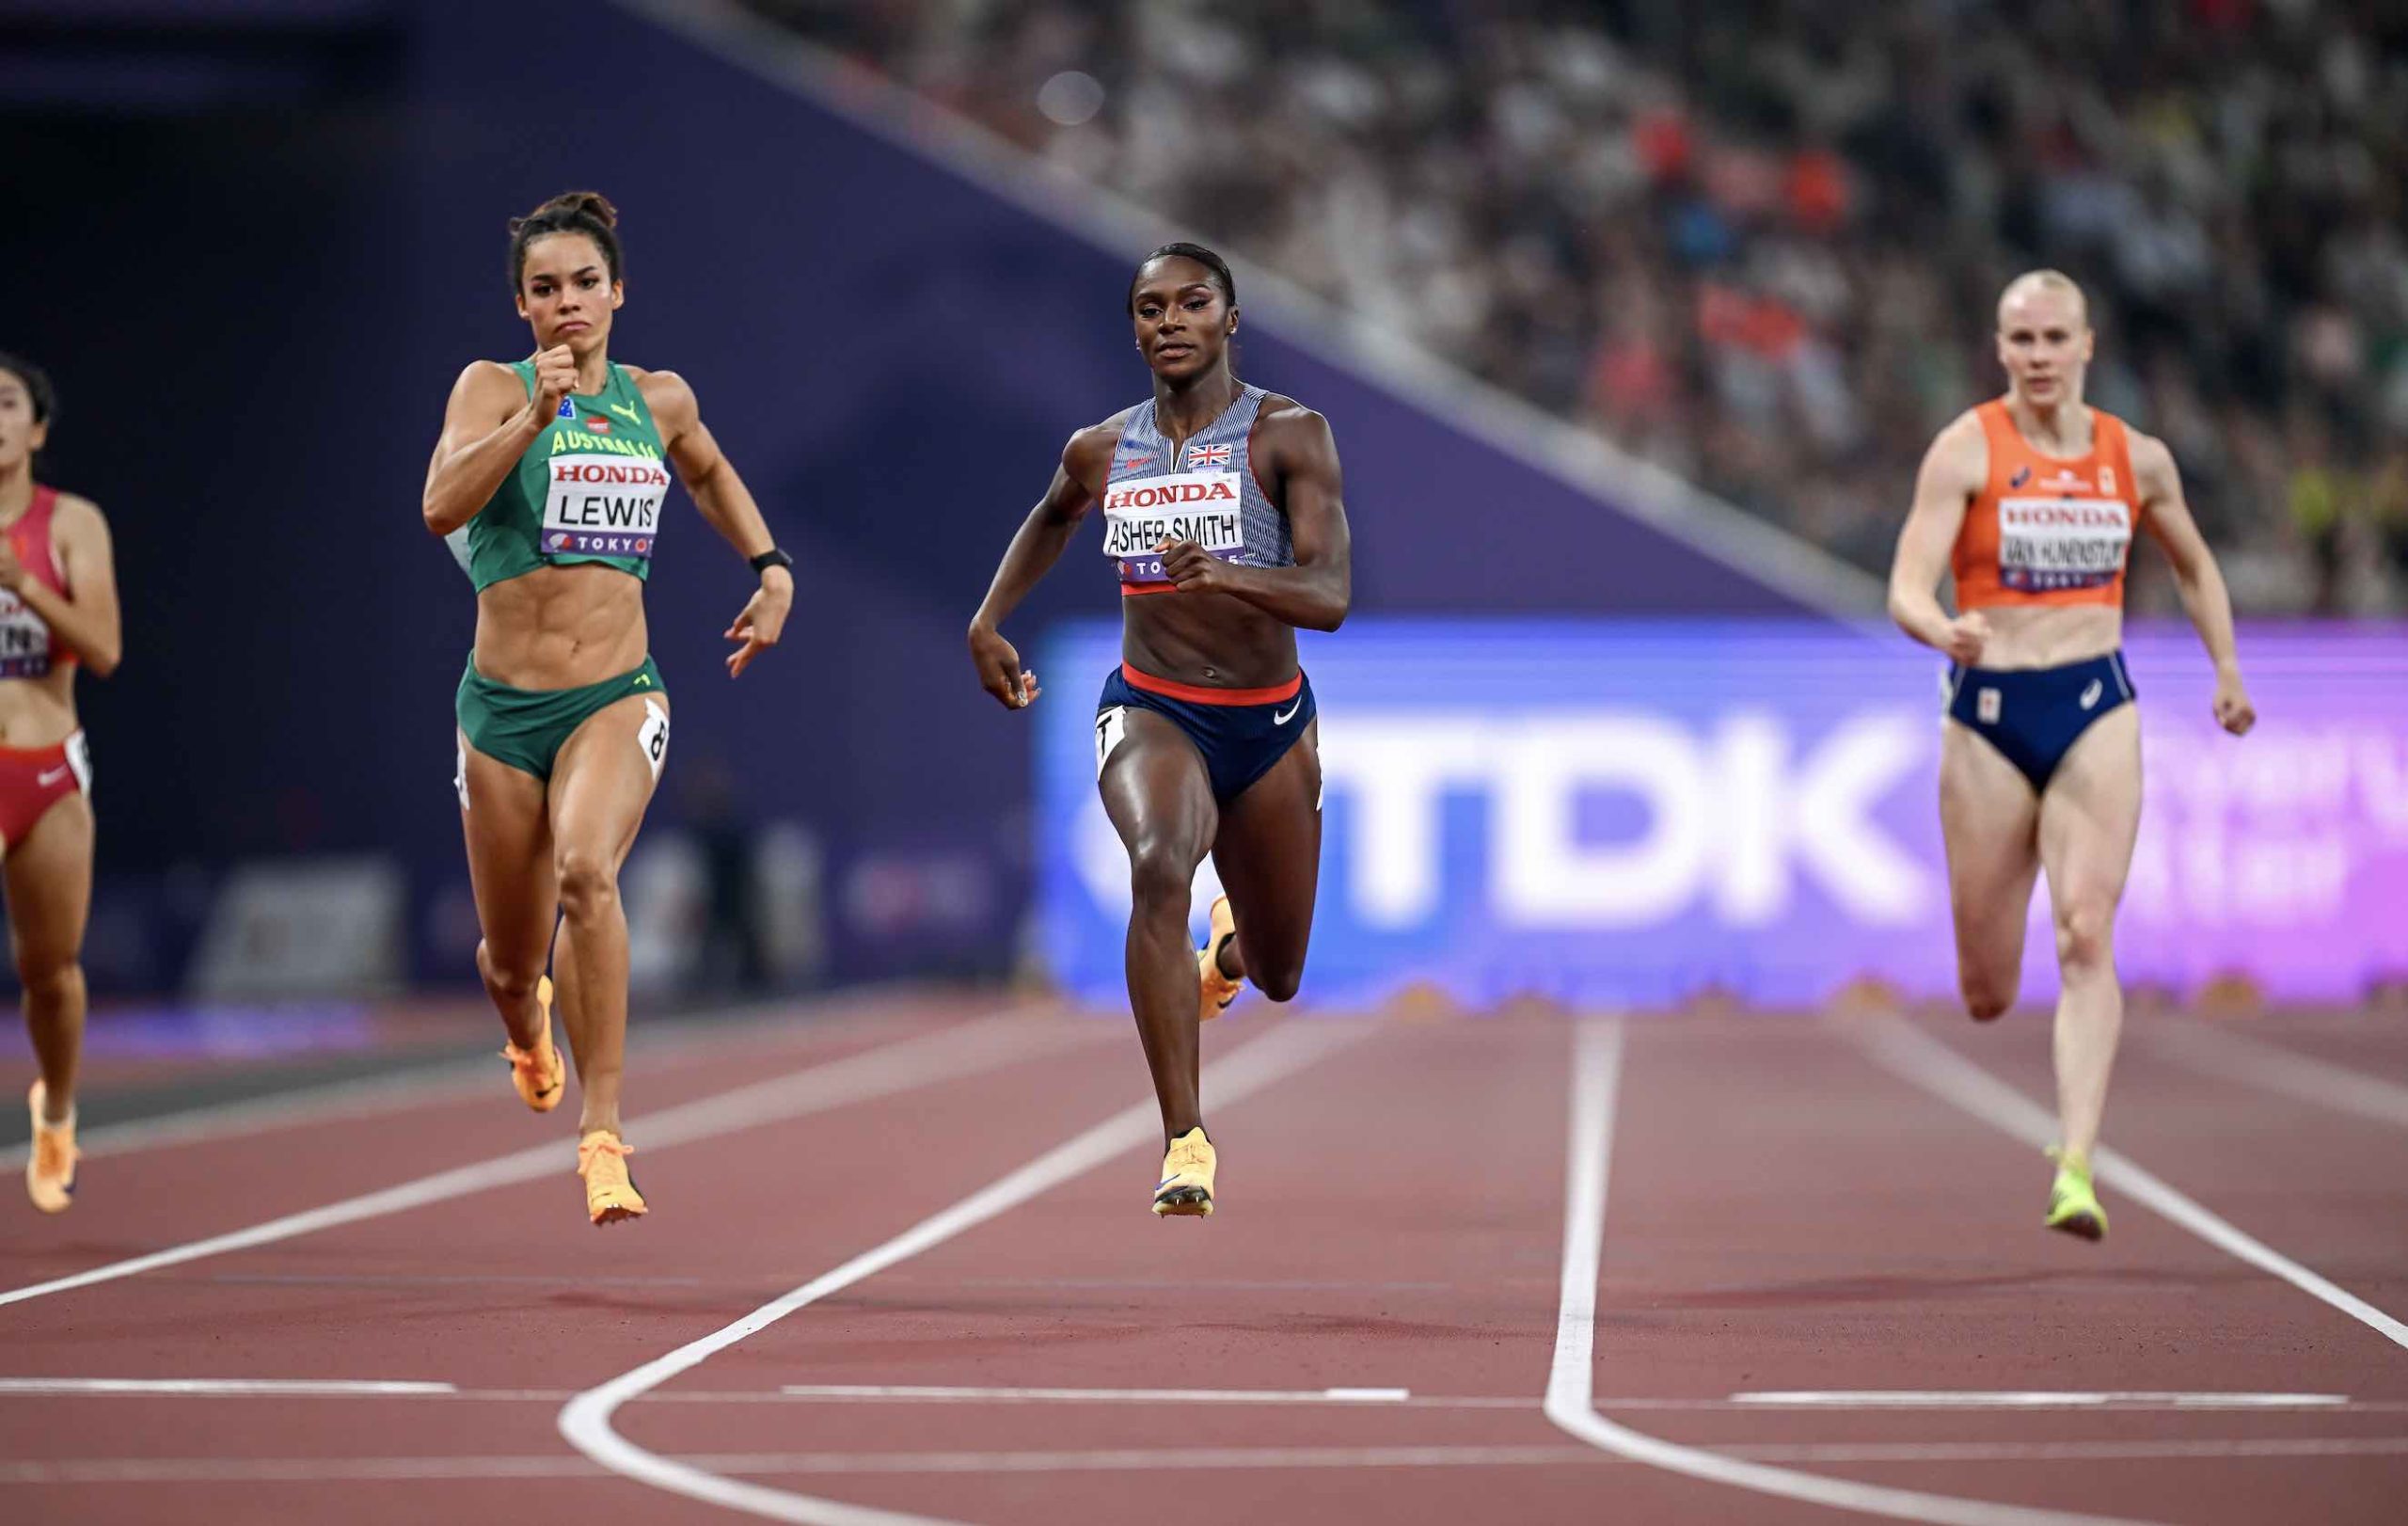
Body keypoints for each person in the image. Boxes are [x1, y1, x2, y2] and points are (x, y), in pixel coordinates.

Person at [420, 193, 793, 1225]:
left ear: (617, 291)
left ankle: (604, 1135)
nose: (568, 302)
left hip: (616, 695)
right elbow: (440, 505)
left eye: (585, 282)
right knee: (509, 962)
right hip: (501, 714)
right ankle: (526, 1029)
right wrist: (531, 420)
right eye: (545, 288)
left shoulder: (657, 399)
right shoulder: (491, 387)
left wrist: (769, 567)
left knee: (588, 872)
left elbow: (708, 471)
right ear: (523, 306)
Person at [969, 243, 1351, 1218]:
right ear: (1134, 328)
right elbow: (1052, 517)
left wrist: (1229, 574)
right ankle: (1186, 1139)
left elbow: (1330, 594)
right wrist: (988, 619)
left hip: (1268, 723)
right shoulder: (1101, 449)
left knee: (1278, 972)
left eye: (1192, 303)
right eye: (1150, 308)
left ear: (1231, 318)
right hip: (1153, 707)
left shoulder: (1287, 435)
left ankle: (1223, 956)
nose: (1170, 321)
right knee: (1157, 862)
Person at [1888, 270, 2255, 1240]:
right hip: (1989, 715)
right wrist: (1940, 628)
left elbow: (2194, 564)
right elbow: (1906, 584)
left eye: (2056, 337)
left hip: (2096, 704)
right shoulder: (1966, 447)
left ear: (2087, 344)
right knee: (1987, 987)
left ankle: (2078, 1164)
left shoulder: (2137, 458)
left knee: (2086, 931)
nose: (2040, 355)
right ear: (2000, 349)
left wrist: (2226, 667)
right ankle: (2001, 997)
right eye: (2023, 339)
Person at [0, 354, 122, 1214]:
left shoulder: (71, 522)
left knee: (49, 972)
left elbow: (105, 648)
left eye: (6, 404)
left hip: (47, 766)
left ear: (36, 429)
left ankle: (58, 1111)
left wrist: (25, 586)